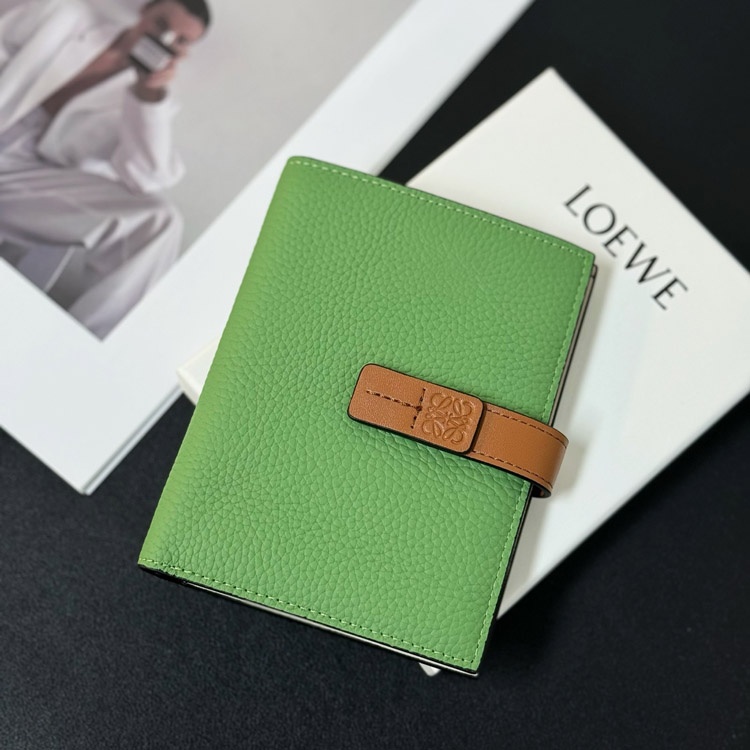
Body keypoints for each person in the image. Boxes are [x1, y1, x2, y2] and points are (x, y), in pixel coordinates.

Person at [0, 0, 210, 338]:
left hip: (22, 178)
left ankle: (82, 349)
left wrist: (147, 94)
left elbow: (148, 178)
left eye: (180, 40)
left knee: (160, 221)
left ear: (184, 52)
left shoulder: (148, 100)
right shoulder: (64, 16)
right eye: (161, 24)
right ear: (144, 12)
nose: (165, 38)